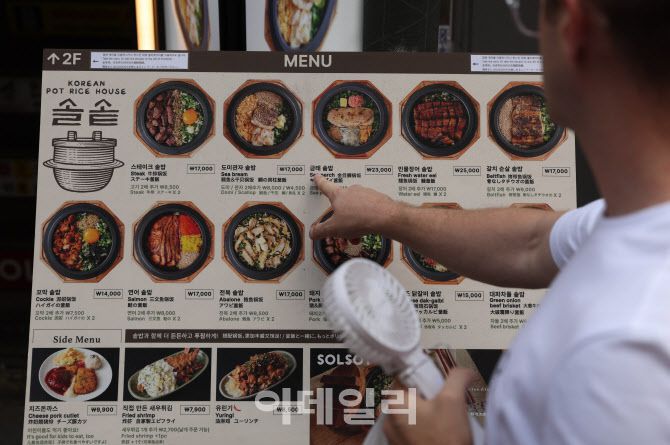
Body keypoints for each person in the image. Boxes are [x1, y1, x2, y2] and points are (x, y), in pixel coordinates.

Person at [310, 0, 670, 443]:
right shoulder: (631, 218)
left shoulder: (626, 352)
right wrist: (390, 216)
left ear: (573, 30)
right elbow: (532, 242)